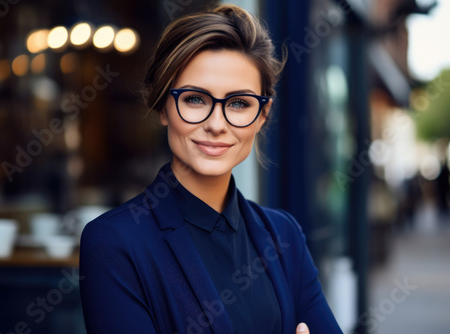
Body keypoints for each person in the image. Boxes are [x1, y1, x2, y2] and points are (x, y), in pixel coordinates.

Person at [80, 4, 342, 334]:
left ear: (262, 115)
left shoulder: (284, 235)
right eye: (195, 99)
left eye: (238, 103)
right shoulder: (114, 243)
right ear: (163, 106)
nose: (216, 124)